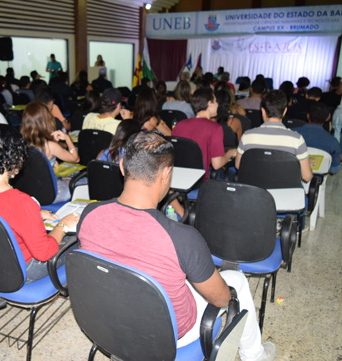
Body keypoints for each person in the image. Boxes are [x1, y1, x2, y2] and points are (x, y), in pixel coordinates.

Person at [77, 132, 275, 361]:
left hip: (110, 322)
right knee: (236, 281)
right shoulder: (183, 238)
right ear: (166, 174)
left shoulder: (89, 215)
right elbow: (221, 300)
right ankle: (256, 356)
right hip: (170, 335)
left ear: (121, 167)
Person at [0, 124, 79, 283]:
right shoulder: (19, 201)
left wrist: (34, 215)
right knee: (82, 242)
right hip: (20, 269)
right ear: (13, 157)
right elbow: (44, 252)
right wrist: (63, 225)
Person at [235, 90, 313, 182]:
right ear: (284, 112)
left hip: (255, 192)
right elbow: (306, 177)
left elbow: (238, 165)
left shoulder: (247, 136)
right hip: (285, 193)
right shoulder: (296, 139)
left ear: (263, 111)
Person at [172, 88, 237, 180]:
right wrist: (230, 153)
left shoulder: (179, 125)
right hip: (199, 181)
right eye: (215, 101)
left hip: (178, 178)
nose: (218, 104)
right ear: (209, 104)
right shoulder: (215, 128)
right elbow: (217, 164)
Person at [21, 101, 79, 203]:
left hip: (27, 192)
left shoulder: (20, 143)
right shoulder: (49, 146)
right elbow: (75, 158)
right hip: (49, 194)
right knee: (83, 183)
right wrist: (67, 138)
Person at [293, 102, 341, 174]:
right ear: (328, 118)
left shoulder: (290, 133)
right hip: (316, 181)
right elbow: (334, 170)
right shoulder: (333, 142)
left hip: (291, 174)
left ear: (308, 116)